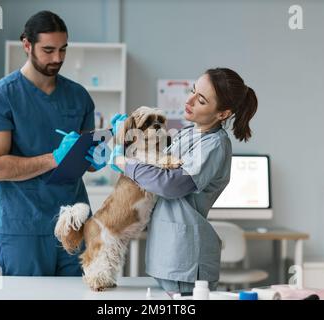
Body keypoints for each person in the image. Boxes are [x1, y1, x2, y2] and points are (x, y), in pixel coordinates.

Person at [0, 11, 108, 276]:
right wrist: (54, 158)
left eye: (62, 49)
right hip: (24, 228)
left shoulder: (78, 96)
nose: (57, 58)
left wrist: (99, 156)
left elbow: (86, 164)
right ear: (27, 44)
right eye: (48, 50)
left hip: (75, 223)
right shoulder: (0, 97)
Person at [109, 68, 258, 293]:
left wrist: (124, 163)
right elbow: (156, 160)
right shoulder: (188, 132)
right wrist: (126, 136)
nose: (189, 100)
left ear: (223, 114)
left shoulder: (214, 145)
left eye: (200, 99)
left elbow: (170, 184)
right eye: (192, 91)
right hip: (167, 252)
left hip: (186, 258)